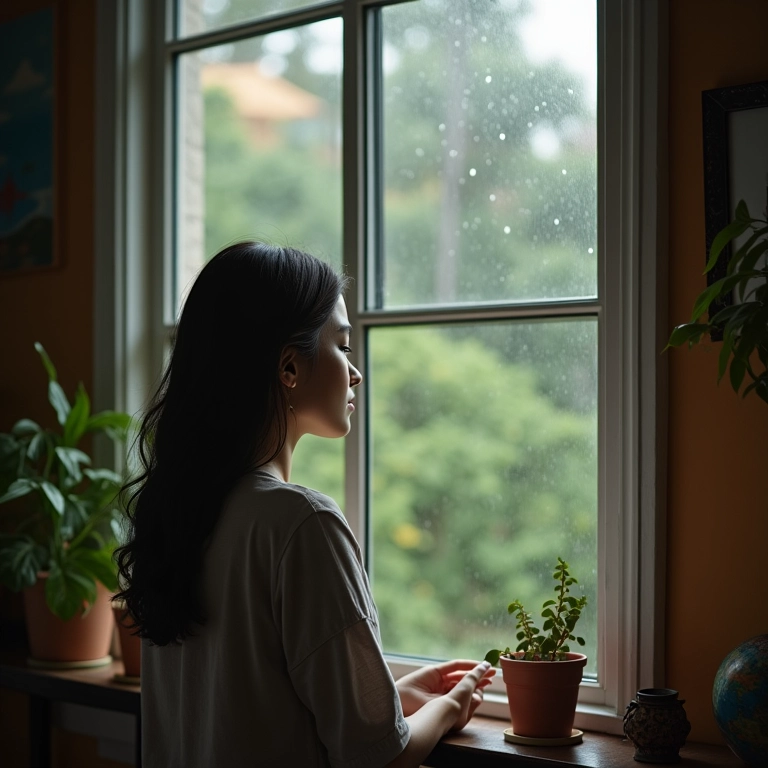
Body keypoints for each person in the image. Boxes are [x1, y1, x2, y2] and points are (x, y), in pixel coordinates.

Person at [115, 242, 495, 768]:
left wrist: (391, 695)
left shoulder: (177, 514)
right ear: (289, 367)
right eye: (342, 346)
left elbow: (247, 702)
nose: (355, 373)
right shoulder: (299, 523)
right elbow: (381, 760)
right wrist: (450, 707)